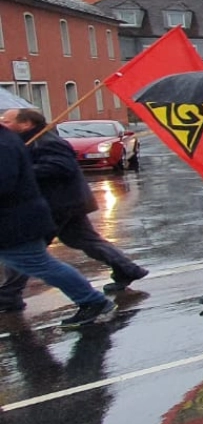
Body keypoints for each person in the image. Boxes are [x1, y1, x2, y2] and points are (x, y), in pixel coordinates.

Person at [0, 109, 148, 305]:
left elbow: (63, 167)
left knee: (27, 252)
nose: (3, 123)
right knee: (85, 241)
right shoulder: (25, 141)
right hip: (63, 202)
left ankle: (9, 294)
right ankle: (127, 269)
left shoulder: (47, 141)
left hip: (59, 203)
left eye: (7, 121)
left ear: (26, 123)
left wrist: (24, 171)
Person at [0, 117, 117, 327]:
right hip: (17, 218)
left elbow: (5, 183)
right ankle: (10, 297)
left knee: (39, 263)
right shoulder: (9, 139)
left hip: (16, 220)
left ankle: (93, 301)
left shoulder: (5, 143)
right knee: (31, 262)